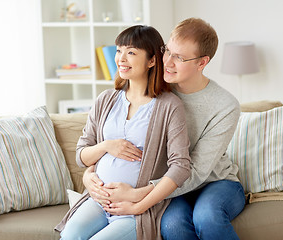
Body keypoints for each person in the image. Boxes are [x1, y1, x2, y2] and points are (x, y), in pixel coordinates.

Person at [83, 18, 246, 240]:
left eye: (179, 57)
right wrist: (89, 173)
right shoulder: (156, 89)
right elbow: (115, 134)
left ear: (202, 63)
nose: (168, 62)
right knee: (172, 225)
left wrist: (137, 196)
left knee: (207, 216)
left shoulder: (225, 105)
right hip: (167, 184)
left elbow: (195, 171)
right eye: (167, 51)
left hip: (215, 182)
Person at [55, 25, 191, 240]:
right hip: (98, 201)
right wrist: (106, 147)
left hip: (135, 210)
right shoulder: (106, 100)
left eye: (131, 52)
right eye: (119, 50)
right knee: (70, 236)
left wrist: (139, 204)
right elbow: (81, 155)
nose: (121, 59)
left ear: (152, 60)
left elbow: (181, 166)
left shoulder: (169, 106)